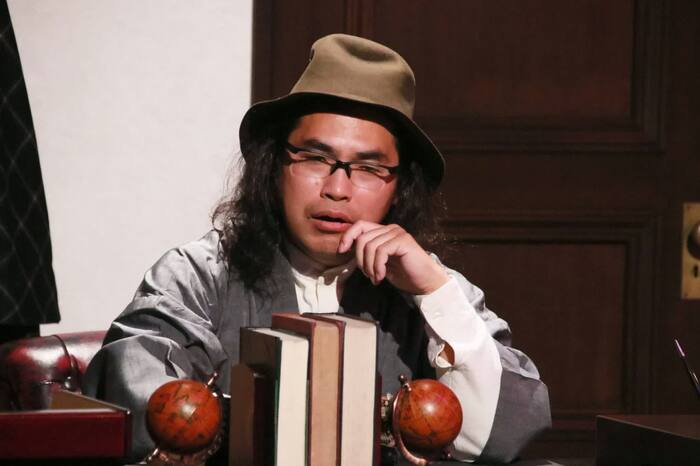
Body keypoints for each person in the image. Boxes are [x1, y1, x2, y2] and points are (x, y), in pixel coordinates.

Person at [83, 34, 551, 463]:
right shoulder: (199, 274)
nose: (336, 189)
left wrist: (434, 293)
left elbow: (500, 437)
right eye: (314, 158)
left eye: (368, 168)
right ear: (274, 166)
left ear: (400, 189)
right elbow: (138, 400)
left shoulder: (435, 290)